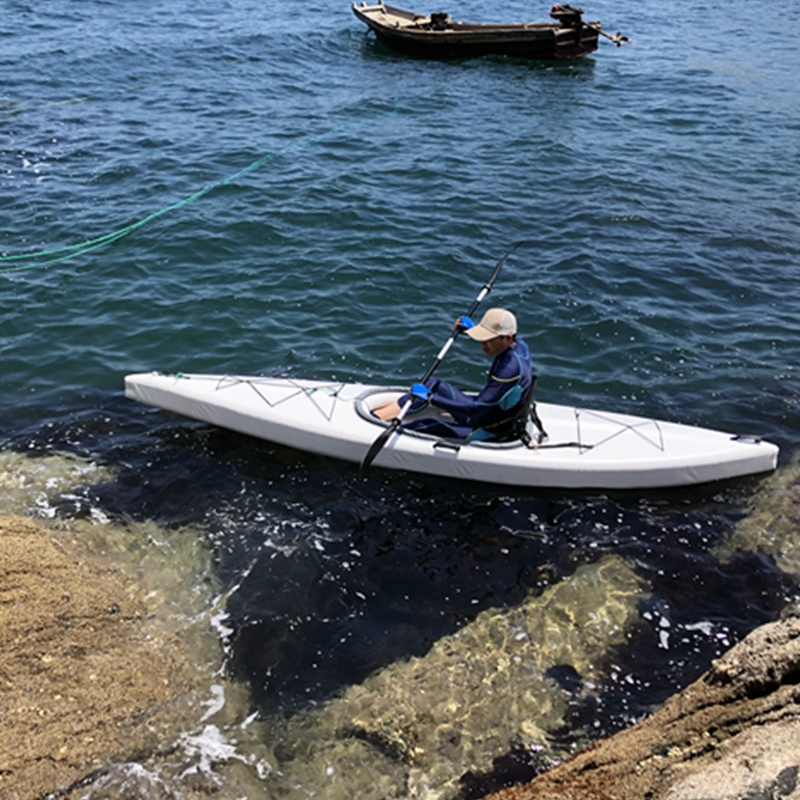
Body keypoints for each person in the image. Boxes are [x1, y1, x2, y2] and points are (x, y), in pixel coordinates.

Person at [374, 307, 533, 441]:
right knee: (433, 383)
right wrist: (471, 331)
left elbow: (474, 409)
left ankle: (374, 432)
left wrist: (430, 399)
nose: (483, 343)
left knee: (426, 424)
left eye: (488, 339)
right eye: (483, 337)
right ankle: (377, 418)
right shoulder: (519, 345)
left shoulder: (509, 370)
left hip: (489, 429)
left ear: (508, 337)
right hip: (488, 412)